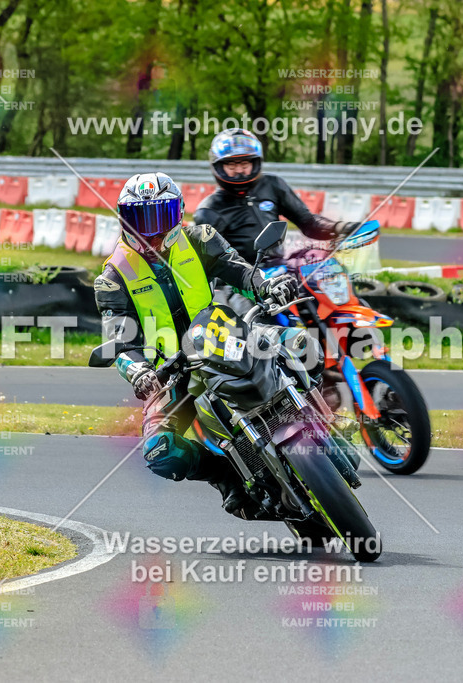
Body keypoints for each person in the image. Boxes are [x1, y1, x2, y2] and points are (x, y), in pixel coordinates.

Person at [93, 172, 298, 517]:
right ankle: (226, 477)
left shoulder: (200, 238)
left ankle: (318, 419)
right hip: (170, 372)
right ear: (124, 220)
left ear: (177, 213)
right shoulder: (112, 277)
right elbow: (119, 338)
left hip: (223, 337)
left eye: (160, 217)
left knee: (301, 345)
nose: (151, 229)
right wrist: (139, 371)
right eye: (140, 218)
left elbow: (241, 272)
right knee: (159, 451)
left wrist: (267, 287)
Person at [193, 128, 365, 265]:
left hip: (280, 268)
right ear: (219, 167)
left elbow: (308, 222)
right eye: (231, 164)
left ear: (255, 162)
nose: (239, 170)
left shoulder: (272, 185)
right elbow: (212, 263)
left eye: (245, 163)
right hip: (241, 282)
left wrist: (339, 228)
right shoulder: (209, 210)